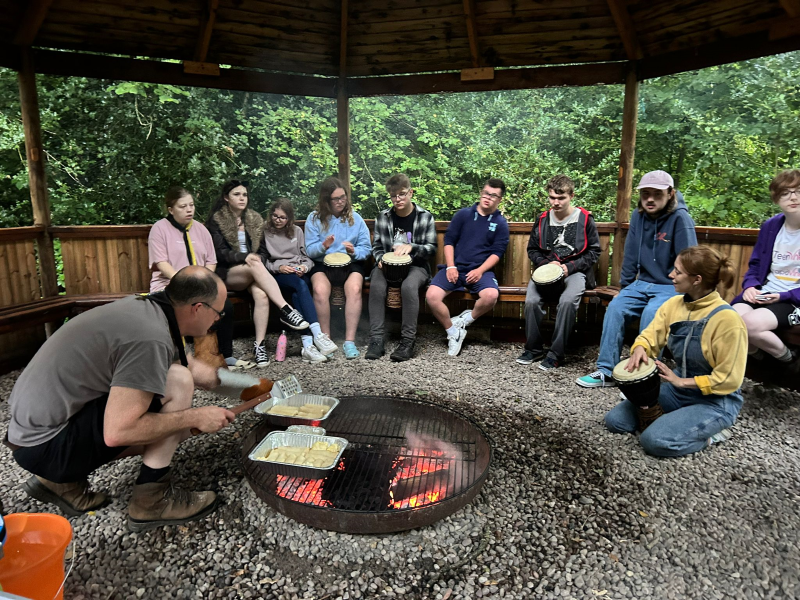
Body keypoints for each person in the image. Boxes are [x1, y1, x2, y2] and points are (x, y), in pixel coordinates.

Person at [6, 267, 254, 530]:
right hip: (46, 448)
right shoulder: (150, 337)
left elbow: (194, 368)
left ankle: (59, 484)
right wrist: (196, 416)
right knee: (178, 382)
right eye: (219, 312)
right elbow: (118, 432)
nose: (218, 320)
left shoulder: (146, 308)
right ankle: (152, 501)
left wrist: (252, 387)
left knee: (178, 386)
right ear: (198, 308)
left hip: (28, 436)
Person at [604, 246, 747, 457]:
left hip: (716, 401)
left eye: (678, 271)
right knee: (615, 421)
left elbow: (730, 380)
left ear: (697, 279)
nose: (671, 275)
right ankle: (680, 420)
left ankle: (713, 435)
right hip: (678, 390)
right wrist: (640, 349)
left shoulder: (728, 321)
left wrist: (682, 382)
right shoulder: (673, 305)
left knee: (654, 441)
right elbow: (649, 336)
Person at [577, 170, 697, 388]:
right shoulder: (638, 216)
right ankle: (606, 371)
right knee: (616, 308)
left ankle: (644, 377)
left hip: (669, 285)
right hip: (641, 283)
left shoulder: (681, 219)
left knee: (653, 313)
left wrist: (687, 294)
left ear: (670, 194)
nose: (650, 199)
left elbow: (689, 260)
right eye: (645, 194)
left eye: (657, 194)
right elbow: (631, 253)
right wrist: (625, 287)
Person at [148, 186, 255, 370]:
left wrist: (203, 282)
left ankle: (225, 355)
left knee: (225, 306)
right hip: (170, 283)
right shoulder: (159, 229)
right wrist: (185, 282)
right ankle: (179, 360)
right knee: (176, 308)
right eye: (183, 206)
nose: (189, 210)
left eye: (191, 205)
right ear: (171, 209)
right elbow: (162, 263)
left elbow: (211, 261)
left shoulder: (201, 229)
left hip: (200, 284)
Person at [205, 180, 308, 367]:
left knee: (261, 294)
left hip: (253, 270)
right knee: (254, 263)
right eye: (236, 194)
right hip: (228, 273)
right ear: (226, 198)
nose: (242, 198)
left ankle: (259, 346)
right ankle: (286, 309)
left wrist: (256, 258)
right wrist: (246, 257)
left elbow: (262, 250)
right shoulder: (217, 220)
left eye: (244, 194)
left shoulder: (253, 219)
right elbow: (220, 253)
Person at [519, 175, 601, 370]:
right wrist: (548, 265)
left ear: (571, 195)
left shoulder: (585, 218)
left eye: (561, 198)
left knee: (567, 301)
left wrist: (568, 267)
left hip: (575, 271)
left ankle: (556, 353)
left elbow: (594, 252)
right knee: (531, 301)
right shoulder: (542, 220)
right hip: (546, 272)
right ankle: (534, 349)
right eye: (552, 197)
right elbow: (532, 250)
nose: (555, 202)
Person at [426, 178, 510, 357]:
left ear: (499, 200)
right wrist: (450, 267)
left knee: (491, 296)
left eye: (494, 196)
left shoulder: (501, 223)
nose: (488, 198)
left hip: (482, 271)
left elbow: (497, 252)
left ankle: (465, 320)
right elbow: (449, 241)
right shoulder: (463, 215)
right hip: (455, 268)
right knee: (431, 296)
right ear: (481, 193)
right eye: (486, 193)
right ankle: (453, 332)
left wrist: (480, 271)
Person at [365, 174, 437, 362]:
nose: (398, 199)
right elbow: (377, 246)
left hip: (416, 266)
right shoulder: (383, 217)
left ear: (410, 192)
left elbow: (431, 248)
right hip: (387, 266)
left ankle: (407, 342)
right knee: (377, 286)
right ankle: (376, 340)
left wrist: (412, 247)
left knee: (408, 287)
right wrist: (380, 258)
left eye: (402, 194)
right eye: (393, 196)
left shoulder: (425, 217)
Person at [731, 169, 800, 363]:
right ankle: (758, 356)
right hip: (766, 292)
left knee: (751, 325)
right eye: (785, 193)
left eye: (798, 191)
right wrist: (750, 286)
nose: (793, 197)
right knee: (729, 319)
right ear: (777, 199)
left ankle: (788, 359)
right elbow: (755, 264)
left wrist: (783, 296)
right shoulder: (771, 226)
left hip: (793, 299)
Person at [259, 198, 338, 363]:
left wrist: (304, 267)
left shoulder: (296, 232)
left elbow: (306, 258)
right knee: (300, 286)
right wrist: (278, 268)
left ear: (289, 219)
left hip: (298, 273)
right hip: (278, 275)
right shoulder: (264, 232)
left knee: (297, 292)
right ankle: (317, 334)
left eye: (282, 217)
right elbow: (262, 261)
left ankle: (307, 346)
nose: (278, 220)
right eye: (275, 216)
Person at [304, 177, 371, 359]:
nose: (341, 201)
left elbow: (366, 248)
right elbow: (310, 250)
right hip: (322, 263)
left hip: (350, 263)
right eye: (336, 199)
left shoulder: (355, 219)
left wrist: (354, 251)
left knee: (355, 288)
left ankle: (349, 341)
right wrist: (323, 246)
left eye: (343, 197)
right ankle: (326, 339)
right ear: (326, 200)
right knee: (319, 289)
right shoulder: (314, 219)